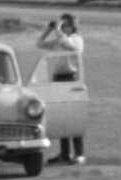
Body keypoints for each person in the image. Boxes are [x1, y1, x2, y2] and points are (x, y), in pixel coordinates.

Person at [36, 13, 86, 164]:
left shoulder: (77, 39)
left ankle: (79, 153)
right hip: (59, 78)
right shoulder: (60, 39)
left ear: (72, 26)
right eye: (62, 25)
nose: (63, 28)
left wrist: (58, 29)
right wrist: (48, 29)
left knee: (74, 116)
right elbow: (40, 43)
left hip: (71, 79)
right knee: (63, 117)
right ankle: (65, 153)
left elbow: (69, 45)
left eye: (65, 25)